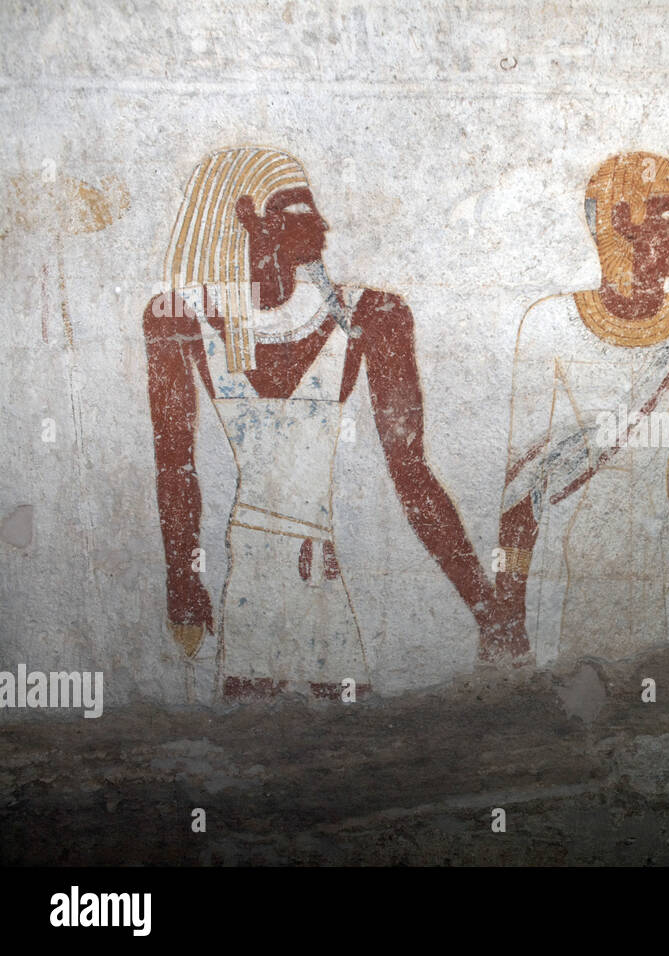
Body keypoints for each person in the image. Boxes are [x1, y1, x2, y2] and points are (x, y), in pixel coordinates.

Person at [144, 146, 513, 699]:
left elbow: (410, 474)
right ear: (247, 217)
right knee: (253, 742)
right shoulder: (176, 319)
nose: (322, 224)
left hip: (319, 561)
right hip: (252, 568)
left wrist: (484, 603)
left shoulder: (374, 315)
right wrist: (182, 578)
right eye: (297, 211)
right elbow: (175, 464)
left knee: (340, 741)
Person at [494, 148, 669, 664]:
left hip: (666, 563)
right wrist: (506, 621)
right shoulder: (548, 326)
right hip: (575, 566)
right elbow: (522, 492)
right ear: (624, 221)